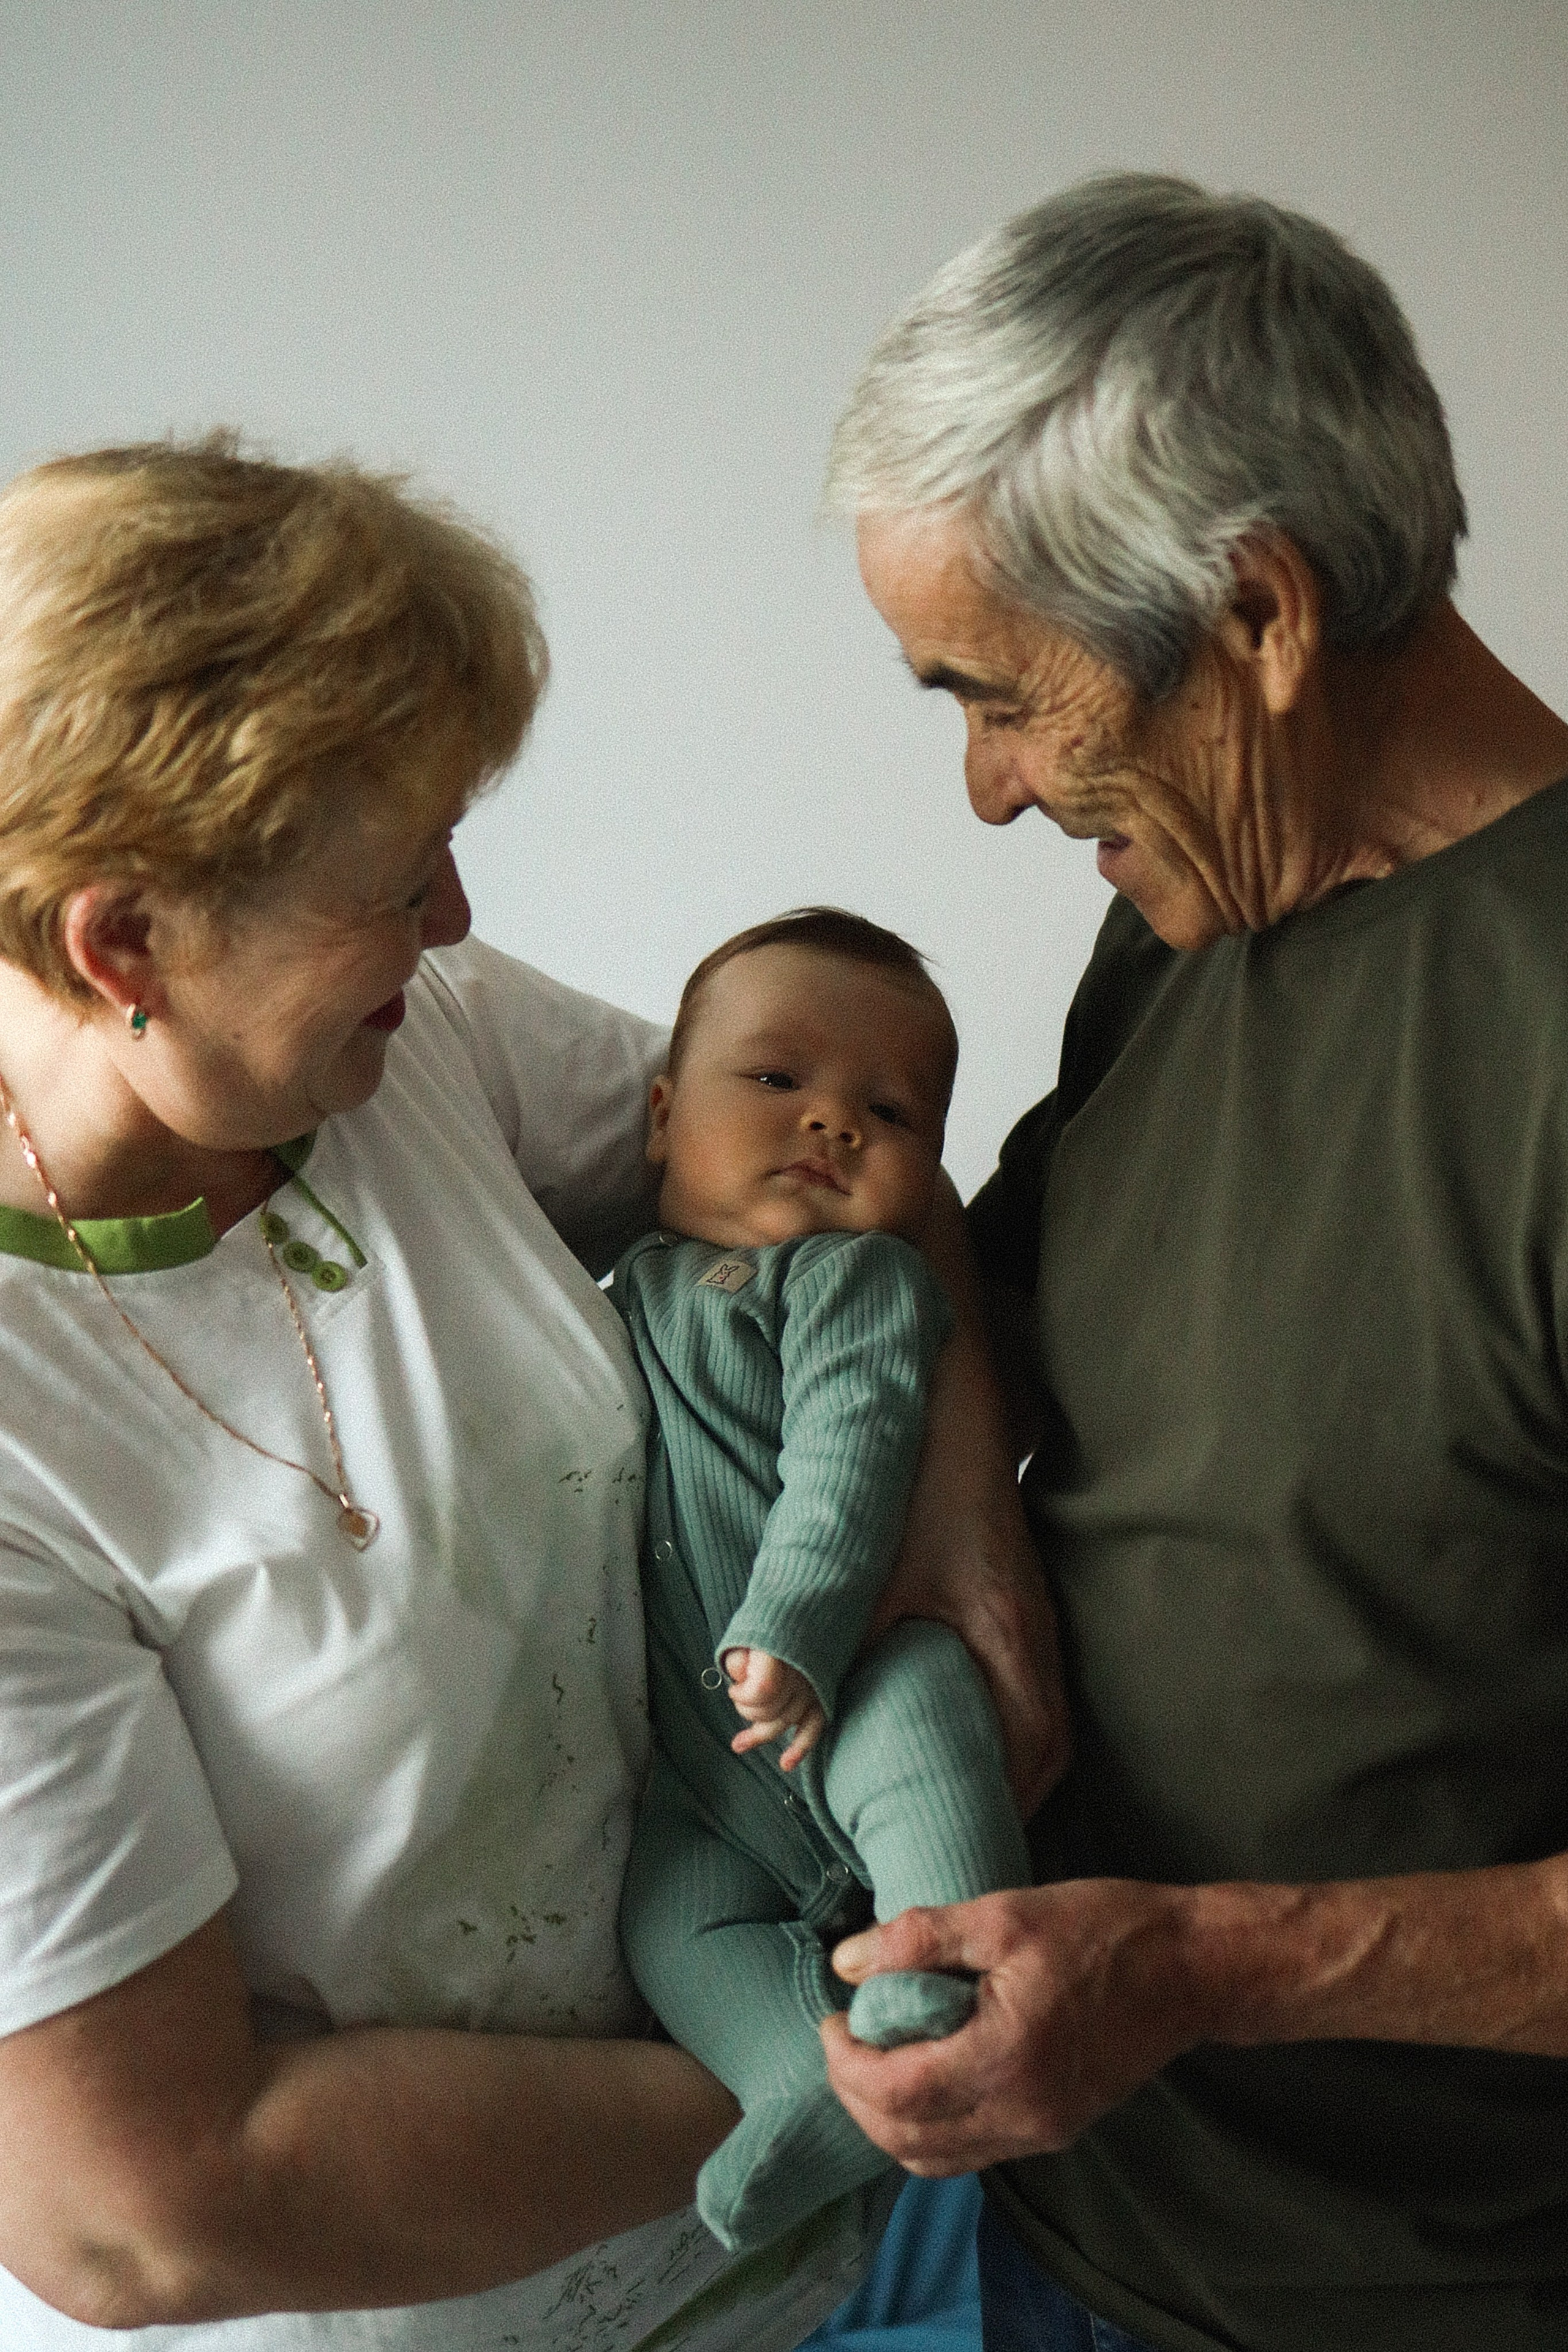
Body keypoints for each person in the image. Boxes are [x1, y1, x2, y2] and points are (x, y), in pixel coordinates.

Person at [0, 437, 1060, 2352]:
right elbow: (143, 2210)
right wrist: (822, 2087)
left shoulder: (419, 1043)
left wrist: (973, 1554)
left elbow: (852, 1168)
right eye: (401, 875)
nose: (463, 915)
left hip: (813, 2278)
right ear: (123, 941)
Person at [818, 174, 1568, 2352]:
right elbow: (993, 1290)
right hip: (1033, 2226)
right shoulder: (1198, 925)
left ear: (1258, 614)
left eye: (1006, 698)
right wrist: (957, 1512)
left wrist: (1196, 1967)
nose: (983, 789)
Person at [613, 909, 1030, 2255]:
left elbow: (846, 1461)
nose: (832, 1124)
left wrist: (794, 1625)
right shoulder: (620, 1292)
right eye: (775, 1080)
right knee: (668, 1918)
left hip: (855, 1662)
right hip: (704, 1768)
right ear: (661, 1116)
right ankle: (805, 2079)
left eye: (889, 1110)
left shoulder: (855, 1284)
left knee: (928, 1759)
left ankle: (933, 1991)